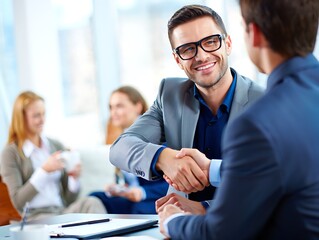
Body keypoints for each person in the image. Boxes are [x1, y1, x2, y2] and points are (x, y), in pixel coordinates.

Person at [158, 0, 319, 239]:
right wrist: (212, 168)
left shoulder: (258, 123)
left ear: (252, 33)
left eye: (211, 41)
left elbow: (220, 233)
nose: (201, 55)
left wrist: (172, 220)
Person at [110, 5, 264, 214]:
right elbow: (120, 148)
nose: (201, 56)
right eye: (187, 49)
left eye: (210, 42)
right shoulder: (170, 94)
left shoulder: (264, 102)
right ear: (177, 59)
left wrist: (204, 208)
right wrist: (164, 158)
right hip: (179, 228)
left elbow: (268, 182)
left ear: (227, 44)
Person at [0, 91, 106, 221]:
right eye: (36, 115)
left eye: (43, 114)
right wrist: (44, 171)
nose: (42, 120)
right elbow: (18, 201)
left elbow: (69, 199)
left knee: (92, 202)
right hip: (36, 217)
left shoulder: (55, 145)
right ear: (21, 118)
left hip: (62, 211)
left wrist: (73, 179)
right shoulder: (10, 153)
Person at [89, 86, 168, 214]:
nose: (113, 112)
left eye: (119, 106)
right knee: (96, 197)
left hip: (153, 198)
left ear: (138, 106)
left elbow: (173, 183)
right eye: (111, 107)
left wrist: (142, 193)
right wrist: (120, 188)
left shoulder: (157, 134)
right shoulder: (121, 140)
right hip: (133, 198)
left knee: (138, 209)